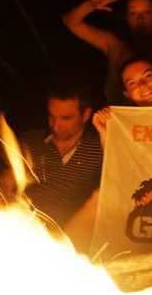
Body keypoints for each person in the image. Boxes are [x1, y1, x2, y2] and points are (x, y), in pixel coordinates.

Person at [61, 0, 152, 103]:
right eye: (133, 14)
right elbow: (70, 22)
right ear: (126, 18)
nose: (140, 19)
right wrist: (91, 5)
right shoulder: (115, 47)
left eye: (147, 12)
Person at [21, 79, 103, 231]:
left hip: (70, 236)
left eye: (66, 118)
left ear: (85, 115)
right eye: (52, 116)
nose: (55, 125)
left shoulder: (98, 149)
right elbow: (7, 184)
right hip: (25, 227)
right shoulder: (33, 142)